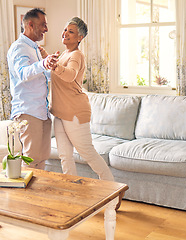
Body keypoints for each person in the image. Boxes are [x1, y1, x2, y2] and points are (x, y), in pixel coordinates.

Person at [49, 17, 114, 181]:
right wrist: (46, 57)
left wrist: (56, 66)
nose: (65, 33)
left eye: (71, 32)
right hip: (59, 112)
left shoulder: (77, 55)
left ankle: (113, 190)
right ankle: (73, 192)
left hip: (75, 112)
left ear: (80, 38)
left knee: (87, 153)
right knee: (65, 156)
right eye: (65, 30)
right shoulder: (65, 53)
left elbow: (70, 75)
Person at [7, 8, 58, 169]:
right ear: (30, 24)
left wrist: (52, 68)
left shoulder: (35, 49)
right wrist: (43, 63)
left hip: (42, 112)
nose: (46, 29)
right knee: (30, 160)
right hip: (28, 112)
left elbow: (41, 76)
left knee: (42, 158)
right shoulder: (19, 48)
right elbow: (23, 73)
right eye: (43, 24)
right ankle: (24, 195)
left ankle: (38, 194)